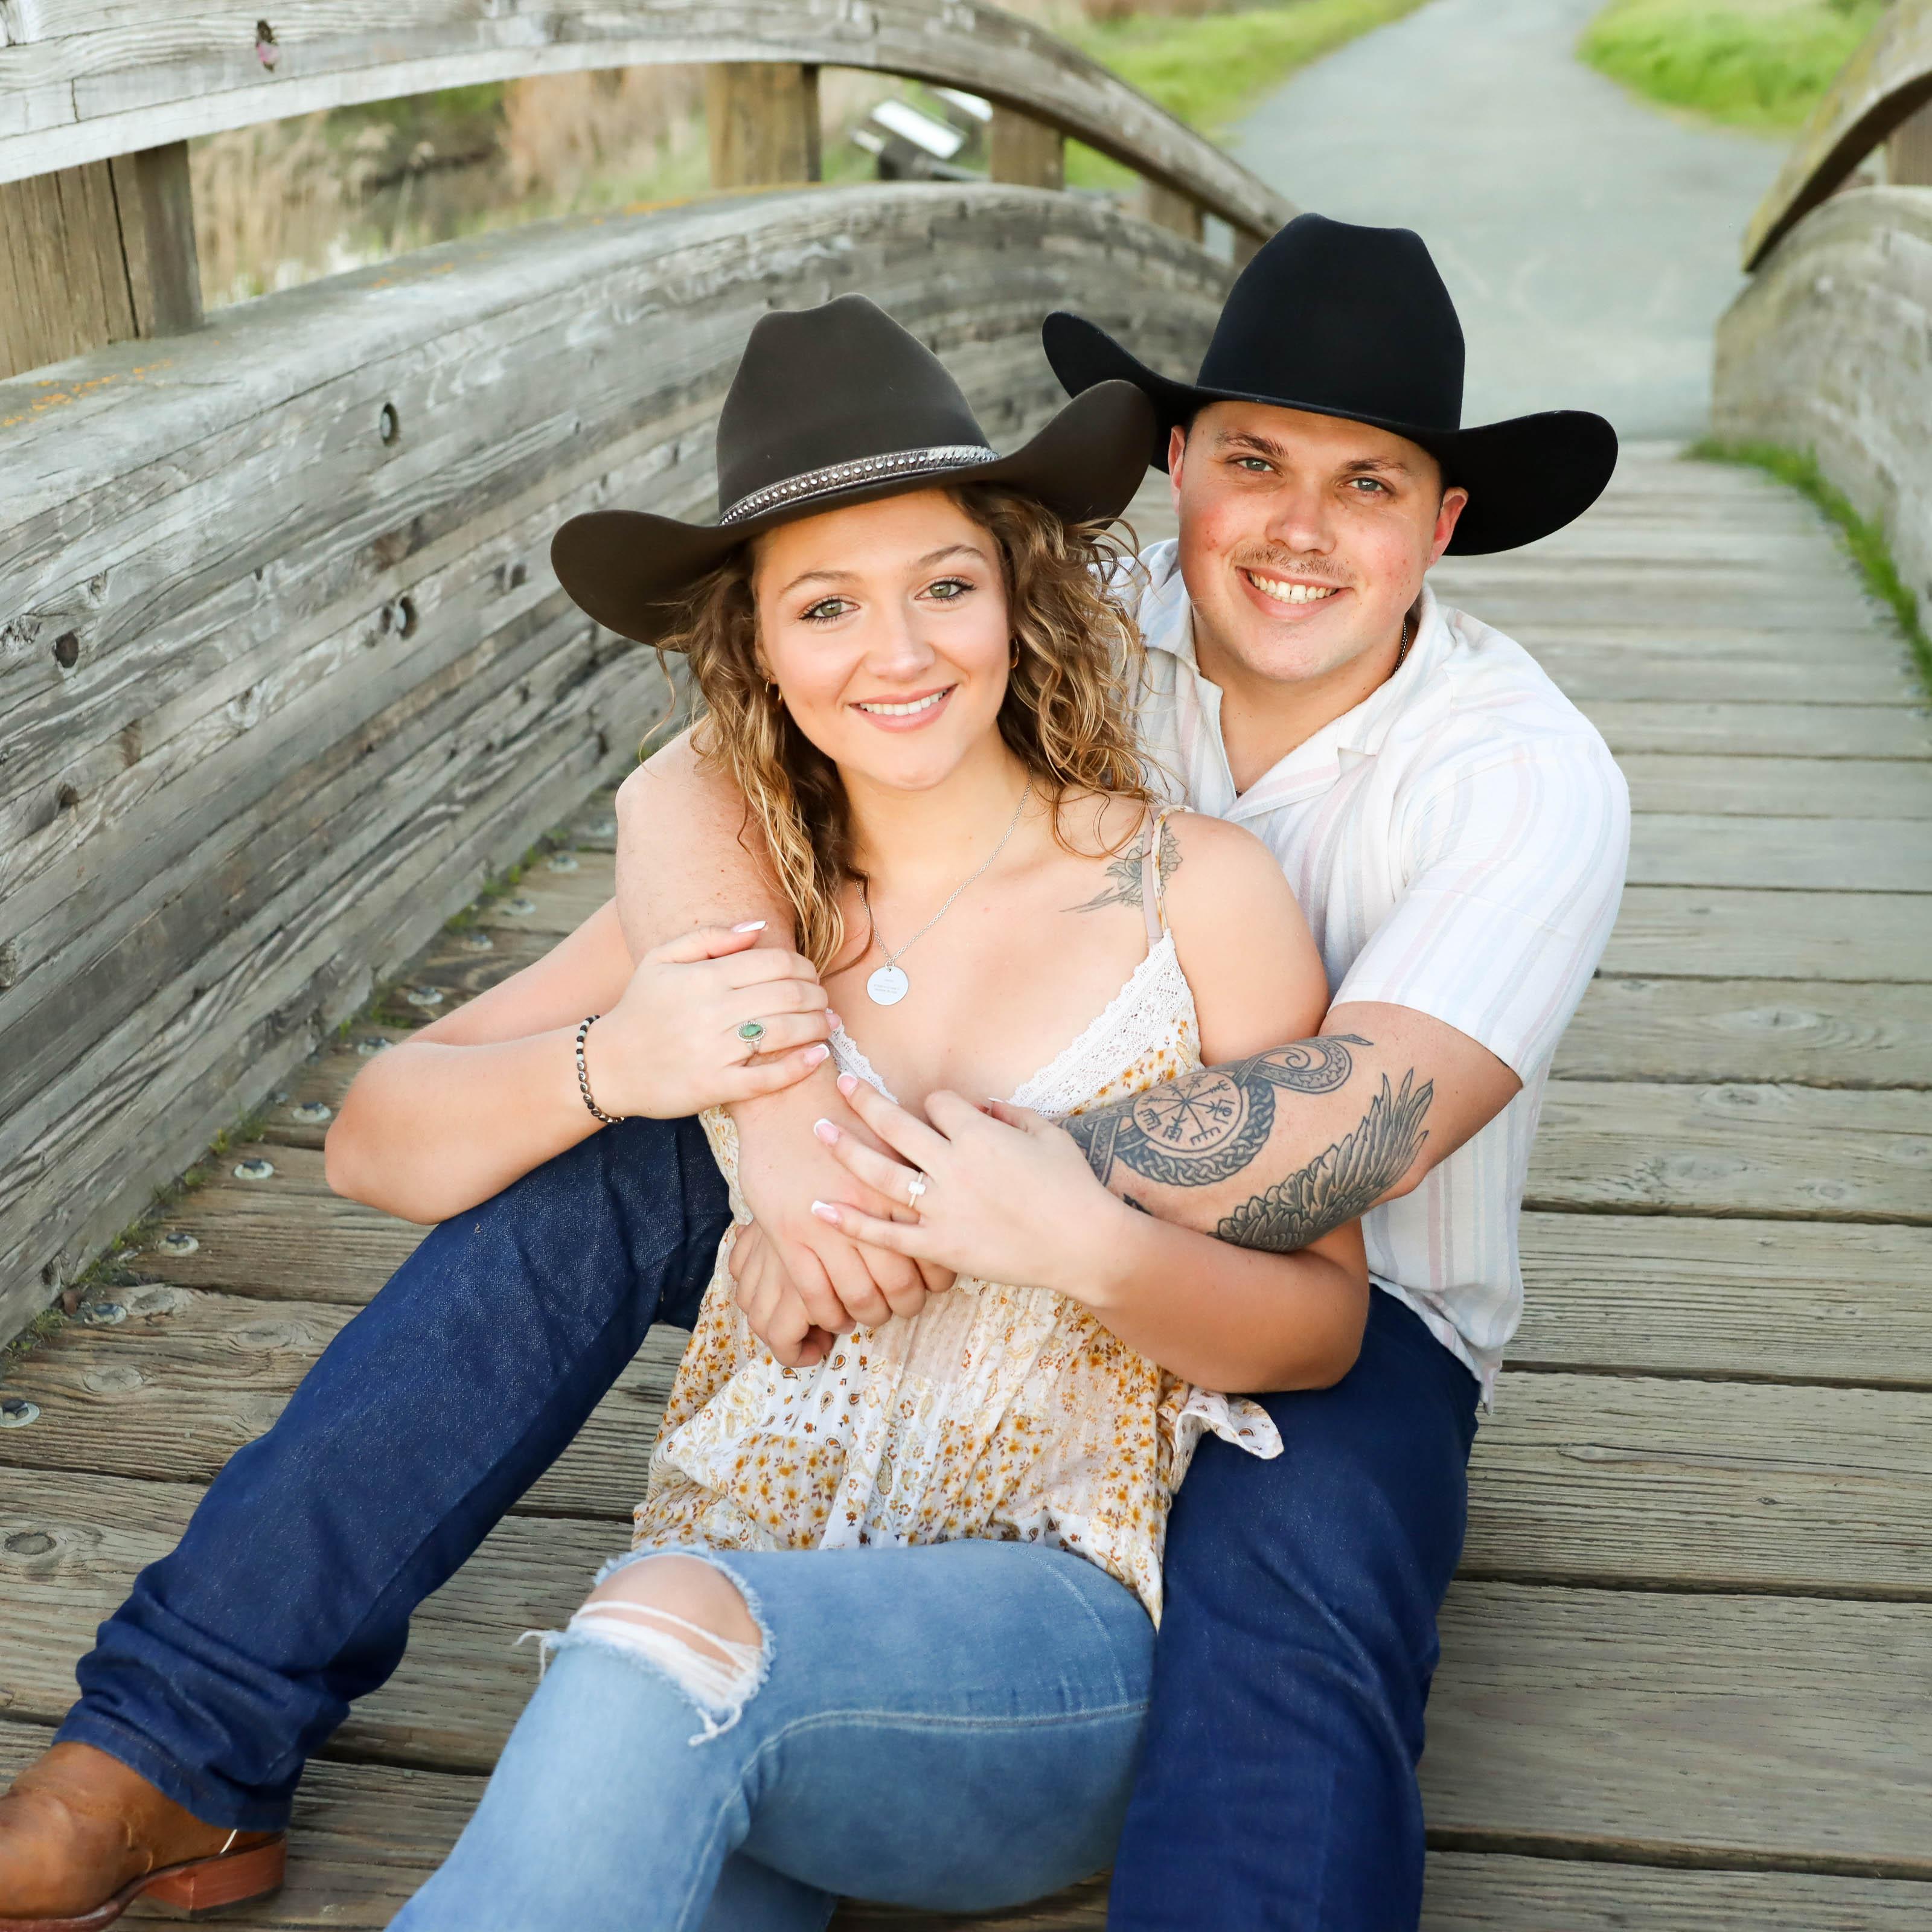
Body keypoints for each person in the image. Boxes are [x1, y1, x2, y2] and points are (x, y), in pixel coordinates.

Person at [0, 216, 1629, 1932]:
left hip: (1329, 1307)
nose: (1298, 529)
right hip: (891, 1155)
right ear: (1177, 466)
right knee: (577, 1191)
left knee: (1291, 1610)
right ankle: (173, 1749)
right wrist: (773, 1117)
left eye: (1368, 484)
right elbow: (704, 776)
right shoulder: (1055, 608)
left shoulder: (1519, 776)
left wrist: (886, 1193)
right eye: (1253, 462)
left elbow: (1369, 1121)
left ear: (1444, 521)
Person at [383, 292, 1365, 1928]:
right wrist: (622, 1064)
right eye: (827, 607)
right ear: (758, 653)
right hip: (739, 1584)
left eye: (945, 587)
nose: (898, 655)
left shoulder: (1192, 892)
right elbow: (379, 1130)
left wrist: (1084, 1244)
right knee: (656, 1716)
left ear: (1017, 597)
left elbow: (1323, 1326)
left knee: (662, 1640)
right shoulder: (725, 917)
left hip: (1040, 1647)